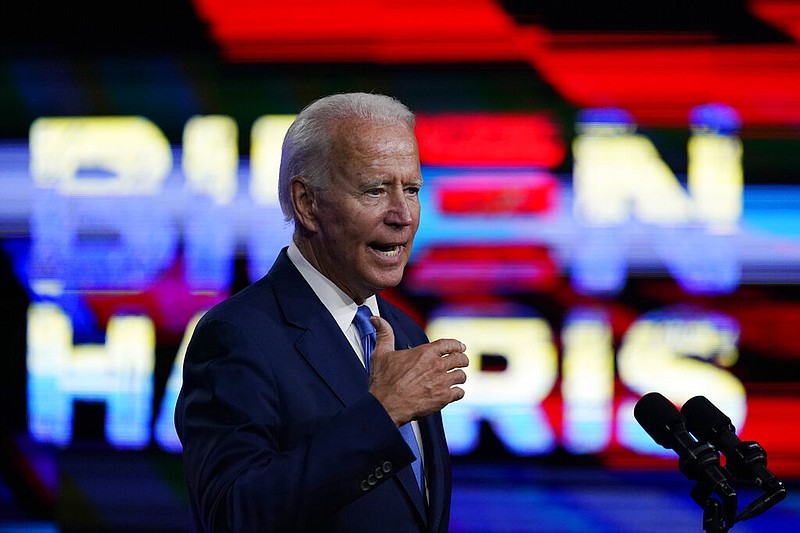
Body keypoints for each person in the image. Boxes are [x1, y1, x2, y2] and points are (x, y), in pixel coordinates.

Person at [175, 92, 469, 532]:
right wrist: (381, 414)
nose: (403, 215)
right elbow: (232, 515)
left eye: (411, 189)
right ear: (307, 204)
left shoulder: (405, 332)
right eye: (375, 190)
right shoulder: (237, 336)